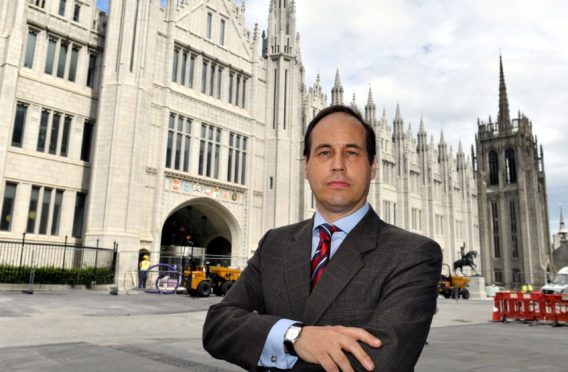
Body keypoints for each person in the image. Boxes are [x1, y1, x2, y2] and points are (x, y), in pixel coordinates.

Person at [203, 105, 442, 371]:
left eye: (351, 153)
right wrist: (294, 336)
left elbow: (379, 364)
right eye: (325, 152)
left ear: (373, 167)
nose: (338, 165)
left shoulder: (413, 254)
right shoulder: (275, 243)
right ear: (306, 166)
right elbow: (218, 326)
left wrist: (264, 337)